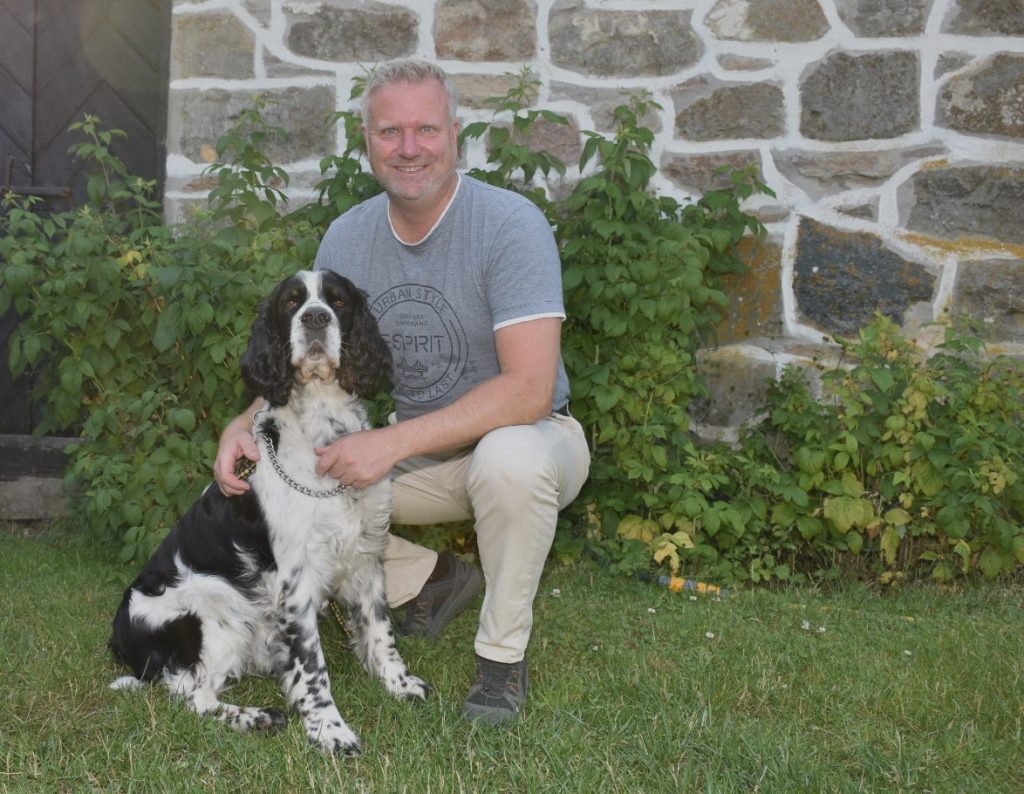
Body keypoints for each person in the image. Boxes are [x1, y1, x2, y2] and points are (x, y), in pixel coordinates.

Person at [214, 59, 590, 725]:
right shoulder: (348, 237)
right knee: (268, 484)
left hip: (526, 441)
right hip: (399, 459)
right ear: (367, 142)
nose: (409, 148)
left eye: (425, 129)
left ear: (456, 133)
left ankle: (501, 662)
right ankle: (427, 580)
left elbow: (531, 389)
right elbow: (308, 360)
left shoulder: (510, 224)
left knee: (511, 459)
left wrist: (390, 443)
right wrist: (242, 426)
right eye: (391, 131)